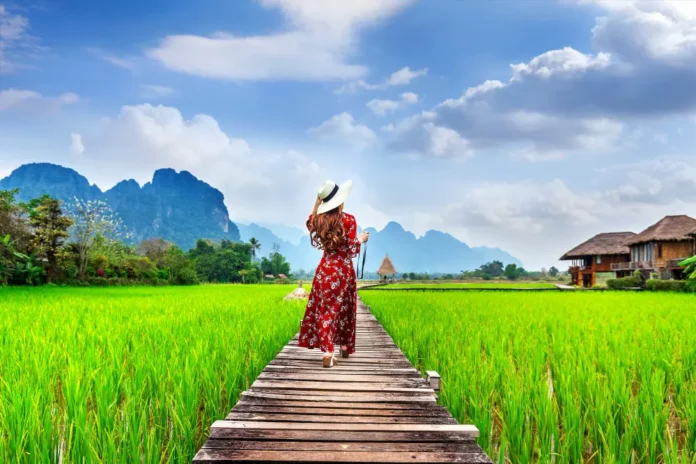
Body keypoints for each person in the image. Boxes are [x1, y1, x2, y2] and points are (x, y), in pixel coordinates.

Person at [298, 180, 369, 368]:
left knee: (325, 309)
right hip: (343, 271)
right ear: (340, 200)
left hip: (325, 269)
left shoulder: (319, 220)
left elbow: (309, 222)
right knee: (343, 309)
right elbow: (351, 248)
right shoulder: (349, 220)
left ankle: (330, 350)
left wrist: (317, 203)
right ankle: (334, 350)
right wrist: (361, 239)